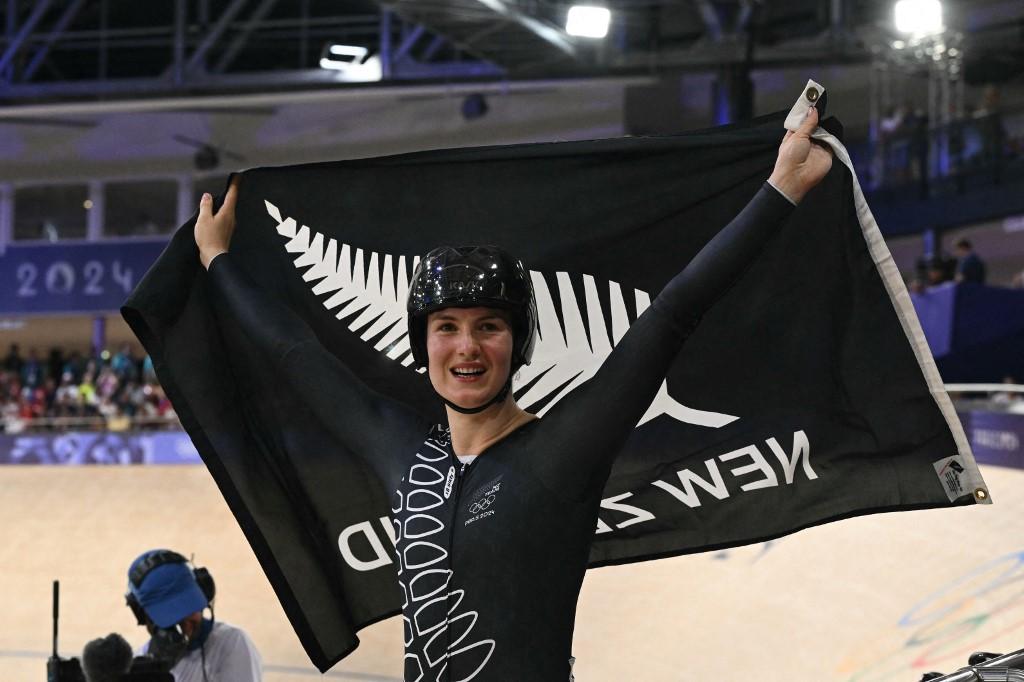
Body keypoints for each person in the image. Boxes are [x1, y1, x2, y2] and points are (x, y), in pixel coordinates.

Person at [194, 107, 832, 680]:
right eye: (447, 327)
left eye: (488, 327)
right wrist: (217, 259)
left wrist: (782, 189)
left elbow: (672, 314)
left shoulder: (563, 452)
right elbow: (295, 354)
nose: (467, 347)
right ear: (423, 345)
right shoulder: (398, 448)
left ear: (517, 344)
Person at [126, 550, 262, 682]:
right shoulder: (139, 667)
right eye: (172, 619)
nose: (185, 627)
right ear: (144, 617)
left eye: (189, 609)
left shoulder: (231, 643)